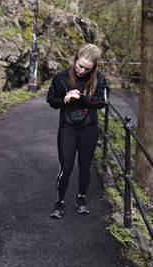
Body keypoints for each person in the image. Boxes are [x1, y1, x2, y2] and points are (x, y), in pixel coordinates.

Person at [46, 44, 109, 219]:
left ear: (93, 67)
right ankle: (59, 202)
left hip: (89, 128)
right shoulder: (62, 77)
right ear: (75, 61)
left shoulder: (99, 79)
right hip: (68, 128)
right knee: (66, 167)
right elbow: (51, 100)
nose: (82, 71)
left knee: (84, 166)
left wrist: (82, 98)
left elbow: (102, 102)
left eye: (87, 68)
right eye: (80, 66)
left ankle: (81, 198)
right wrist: (65, 99)